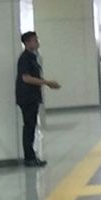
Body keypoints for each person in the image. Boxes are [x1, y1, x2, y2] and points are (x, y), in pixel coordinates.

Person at [16, 31, 60, 167]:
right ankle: (29, 158)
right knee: (29, 127)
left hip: (32, 96)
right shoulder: (25, 58)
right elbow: (26, 78)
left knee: (31, 126)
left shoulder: (33, 57)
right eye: (35, 40)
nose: (37, 42)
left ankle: (31, 156)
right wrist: (47, 83)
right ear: (27, 43)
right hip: (27, 97)